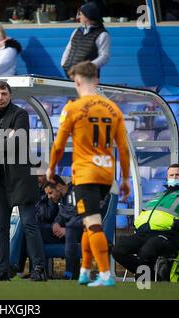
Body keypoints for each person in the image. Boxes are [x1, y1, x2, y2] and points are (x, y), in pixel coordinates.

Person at [46, 61, 130, 287]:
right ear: (98, 80)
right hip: (106, 175)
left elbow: (59, 145)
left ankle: (104, 273)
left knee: (92, 224)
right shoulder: (114, 108)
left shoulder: (73, 108)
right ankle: (84, 271)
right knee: (87, 221)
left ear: (77, 81)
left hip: (85, 175)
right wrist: (125, 179)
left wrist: (51, 168)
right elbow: (123, 148)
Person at [0, 81, 46, 281]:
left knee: (29, 224)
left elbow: (18, 143)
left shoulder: (20, 114)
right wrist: (5, 140)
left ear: (10, 95)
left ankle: (39, 270)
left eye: (3, 93)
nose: (0, 97)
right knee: (0, 226)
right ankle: (3, 270)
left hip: (20, 180)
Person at [112, 163, 179, 280]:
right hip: (144, 233)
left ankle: (143, 286)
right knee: (118, 250)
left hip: (167, 236)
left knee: (146, 252)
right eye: (171, 175)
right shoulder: (157, 196)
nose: (174, 178)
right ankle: (156, 279)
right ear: (167, 178)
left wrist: (174, 224)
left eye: (177, 175)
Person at [43, 175, 83, 280]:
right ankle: (39, 270)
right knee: (37, 231)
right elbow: (61, 216)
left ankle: (69, 274)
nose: (49, 197)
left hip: (81, 230)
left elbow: (86, 216)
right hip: (67, 230)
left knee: (70, 232)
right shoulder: (60, 199)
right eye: (47, 194)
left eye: (50, 193)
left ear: (59, 187)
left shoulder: (76, 192)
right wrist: (55, 224)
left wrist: (67, 229)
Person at [60, 2, 110, 78]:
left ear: (87, 16)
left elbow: (104, 57)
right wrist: (63, 64)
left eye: (80, 14)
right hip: (70, 74)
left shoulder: (102, 34)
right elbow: (68, 49)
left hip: (87, 78)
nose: (78, 17)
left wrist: (86, 69)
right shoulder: (77, 31)